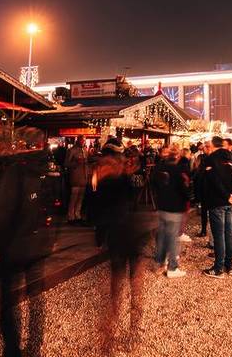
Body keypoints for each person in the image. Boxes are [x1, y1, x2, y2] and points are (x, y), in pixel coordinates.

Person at [0, 126, 54, 357]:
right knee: (36, 298)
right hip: (39, 244)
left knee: (9, 301)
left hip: (15, 247)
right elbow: (52, 205)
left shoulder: (15, 172)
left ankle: (13, 350)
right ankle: (35, 347)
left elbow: (5, 213)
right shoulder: (47, 170)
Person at [91, 137, 151, 350]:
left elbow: (95, 211)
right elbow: (134, 194)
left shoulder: (106, 179)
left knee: (124, 287)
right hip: (128, 234)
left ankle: (118, 334)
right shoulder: (118, 178)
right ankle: (124, 333)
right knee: (129, 286)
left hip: (122, 235)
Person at [202, 136, 232, 278]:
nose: (206, 147)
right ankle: (229, 265)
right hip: (231, 201)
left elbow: (214, 181)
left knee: (219, 235)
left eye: (207, 145)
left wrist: (226, 196)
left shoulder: (211, 159)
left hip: (218, 200)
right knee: (228, 232)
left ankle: (218, 268)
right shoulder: (230, 157)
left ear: (213, 145)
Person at [152, 146, 190, 278]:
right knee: (173, 239)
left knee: (162, 236)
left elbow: (153, 184)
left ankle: (158, 263)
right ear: (177, 156)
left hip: (162, 206)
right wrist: (188, 197)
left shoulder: (159, 168)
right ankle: (172, 267)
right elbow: (183, 190)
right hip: (174, 208)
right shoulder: (177, 171)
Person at [65, 137, 89, 224]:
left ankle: (77, 215)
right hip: (75, 176)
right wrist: (76, 163)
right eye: (82, 140)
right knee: (73, 198)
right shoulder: (72, 150)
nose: (83, 142)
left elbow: (86, 162)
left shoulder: (85, 150)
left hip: (84, 176)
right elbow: (66, 163)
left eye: (84, 140)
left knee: (80, 198)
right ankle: (71, 216)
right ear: (77, 140)